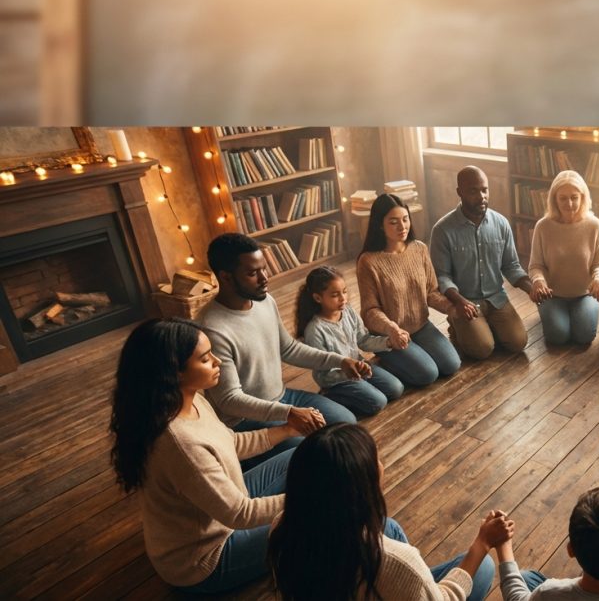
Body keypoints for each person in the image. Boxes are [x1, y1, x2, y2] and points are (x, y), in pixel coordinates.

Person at [109, 318, 300, 593]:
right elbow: (240, 514)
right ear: (174, 372)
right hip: (205, 559)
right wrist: (312, 497)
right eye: (205, 358)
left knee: (301, 456)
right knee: (324, 516)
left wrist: (287, 429)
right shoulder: (178, 443)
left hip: (224, 512)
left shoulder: (189, 398)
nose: (217, 361)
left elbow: (229, 442)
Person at [269, 423, 508, 601]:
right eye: (376, 460)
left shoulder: (282, 526)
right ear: (361, 487)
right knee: (484, 566)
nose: (381, 465)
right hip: (396, 580)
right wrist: (482, 543)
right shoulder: (396, 562)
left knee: (389, 525)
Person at [198, 233, 369, 467]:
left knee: (346, 422)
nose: (264, 278)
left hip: (282, 398)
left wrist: (340, 361)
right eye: (252, 273)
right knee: (315, 455)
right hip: (246, 420)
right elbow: (229, 400)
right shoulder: (212, 329)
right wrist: (289, 414)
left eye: (264, 269)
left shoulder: (265, 300)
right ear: (226, 278)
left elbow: (288, 348)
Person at [430, 165, 535, 360]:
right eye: (473, 191)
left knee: (518, 343)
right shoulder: (442, 230)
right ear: (459, 192)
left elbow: (511, 265)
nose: (481, 196)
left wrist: (531, 289)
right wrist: (459, 303)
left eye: (484, 190)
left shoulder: (501, 223)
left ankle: (485, 327)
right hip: (465, 302)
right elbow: (442, 276)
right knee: (482, 349)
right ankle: (458, 324)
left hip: (496, 297)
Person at [357, 193, 462, 387]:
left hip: (421, 326)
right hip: (389, 334)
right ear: (380, 225)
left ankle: (409, 357)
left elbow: (431, 291)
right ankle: (385, 357)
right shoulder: (368, 261)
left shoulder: (419, 248)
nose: (402, 226)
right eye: (393, 222)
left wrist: (452, 308)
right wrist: (392, 329)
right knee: (428, 374)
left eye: (405, 219)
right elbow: (370, 311)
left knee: (451, 364)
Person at [295, 265, 404, 417]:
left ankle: (360, 389)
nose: (343, 298)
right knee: (378, 402)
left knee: (396, 388)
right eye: (335, 295)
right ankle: (328, 397)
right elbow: (323, 370)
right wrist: (351, 372)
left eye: (344, 292)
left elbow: (363, 340)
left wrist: (388, 342)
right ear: (318, 298)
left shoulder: (348, 311)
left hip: (360, 368)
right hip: (335, 381)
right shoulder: (315, 330)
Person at [527, 170, 599, 346]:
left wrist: (598, 279)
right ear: (554, 199)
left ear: (583, 197)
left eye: (574, 197)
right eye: (563, 198)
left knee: (584, 336)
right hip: (552, 295)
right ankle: (555, 316)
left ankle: (570, 316)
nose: (569, 203)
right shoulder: (543, 226)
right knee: (558, 337)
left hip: (584, 295)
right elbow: (536, 265)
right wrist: (539, 281)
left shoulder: (594, 225)